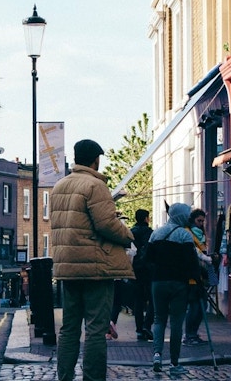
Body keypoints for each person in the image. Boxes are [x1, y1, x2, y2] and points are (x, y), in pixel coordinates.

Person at [51, 139, 136, 381]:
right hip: (95, 268)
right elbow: (106, 224)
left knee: (68, 329)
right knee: (96, 330)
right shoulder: (95, 185)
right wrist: (128, 235)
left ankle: (64, 376)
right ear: (96, 159)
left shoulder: (59, 186)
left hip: (67, 267)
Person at [148, 202, 202, 377]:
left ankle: (157, 354)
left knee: (159, 319)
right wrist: (198, 281)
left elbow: (148, 257)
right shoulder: (184, 236)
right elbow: (192, 262)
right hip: (179, 283)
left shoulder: (156, 234)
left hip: (158, 281)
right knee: (177, 322)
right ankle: (174, 361)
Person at [182, 208, 213, 345]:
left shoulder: (201, 234)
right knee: (195, 305)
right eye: (198, 220)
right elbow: (194, 251)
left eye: (202, 221)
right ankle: (189, 334)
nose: (201, 223)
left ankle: (193, 333)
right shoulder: (187, 233)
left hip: (200, 273)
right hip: (191, 275)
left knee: (202, 305)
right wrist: (205, 258)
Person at [130, 208, 155, 341]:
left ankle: (139, 329)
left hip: (135, 269)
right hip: (148, 269)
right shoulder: (150, 233)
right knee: (152, 299)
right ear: (146, 218)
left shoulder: (131, 232)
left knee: (138, 300)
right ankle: (147, 325)